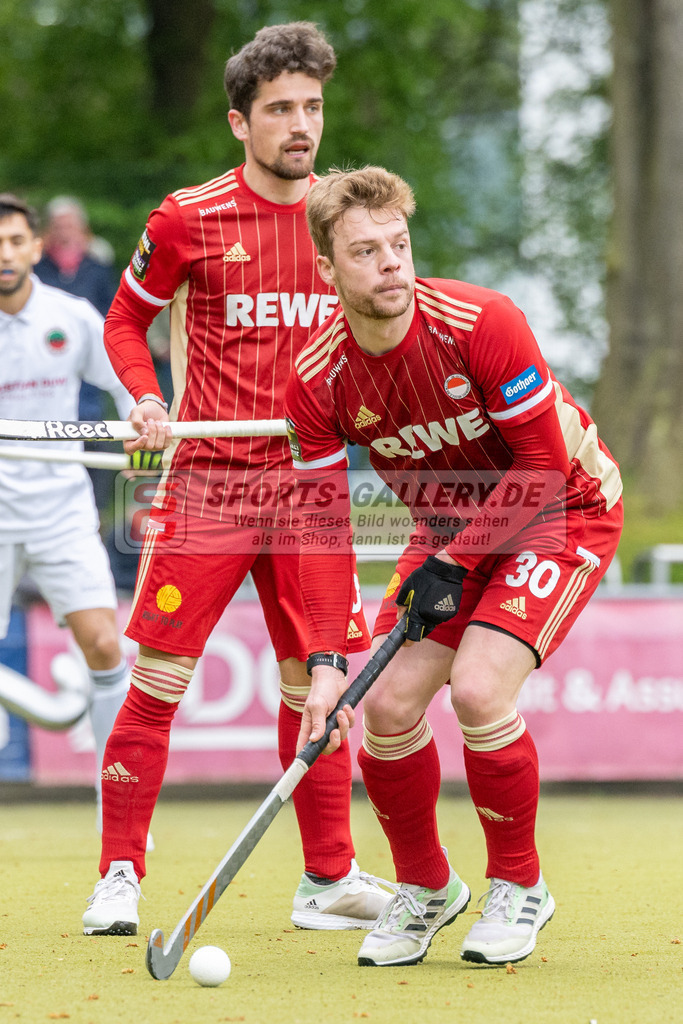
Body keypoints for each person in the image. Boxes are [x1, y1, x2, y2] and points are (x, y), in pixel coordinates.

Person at [82, 23, 391, 938]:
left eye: (312, 107)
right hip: (211, 481)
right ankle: (118, 876)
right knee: (161, 679)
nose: (302, 125)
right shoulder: (187, 218)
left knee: (320, 689)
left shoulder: (347, 224)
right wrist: (145, 398)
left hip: (314, 485)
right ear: (238, 121)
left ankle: (326, 879)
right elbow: (122, 325)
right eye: (281, 110)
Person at [283, 166, 624, 968]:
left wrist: (452, 557)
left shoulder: (480, 321)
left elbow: (540, 464)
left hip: (561, 508)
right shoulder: (316, 379)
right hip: (450, 527)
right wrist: (326, 664)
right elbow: (321, 528)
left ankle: (519, 884)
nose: (392, 264)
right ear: (328, 271)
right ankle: (426, 888)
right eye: (365, 252)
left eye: (398, 245)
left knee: (476, 688)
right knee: (388, 706)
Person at [0, 193, 135, 830]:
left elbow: (127, 386)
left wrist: (146, 414)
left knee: (105, 646)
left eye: (14, 241)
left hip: (61, 508)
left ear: (33, 248)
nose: (4, 254)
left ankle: (121, 808)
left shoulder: (72, 316)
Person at [34, 195, 119, 512]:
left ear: (82, 227)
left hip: (87, 364)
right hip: (45, 359)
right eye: (58, 224)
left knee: (90, 432)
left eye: (69, 224)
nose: (64, 230)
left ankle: (91, 509)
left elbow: (111, 312)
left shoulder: (97, 267)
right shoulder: (37, 267)